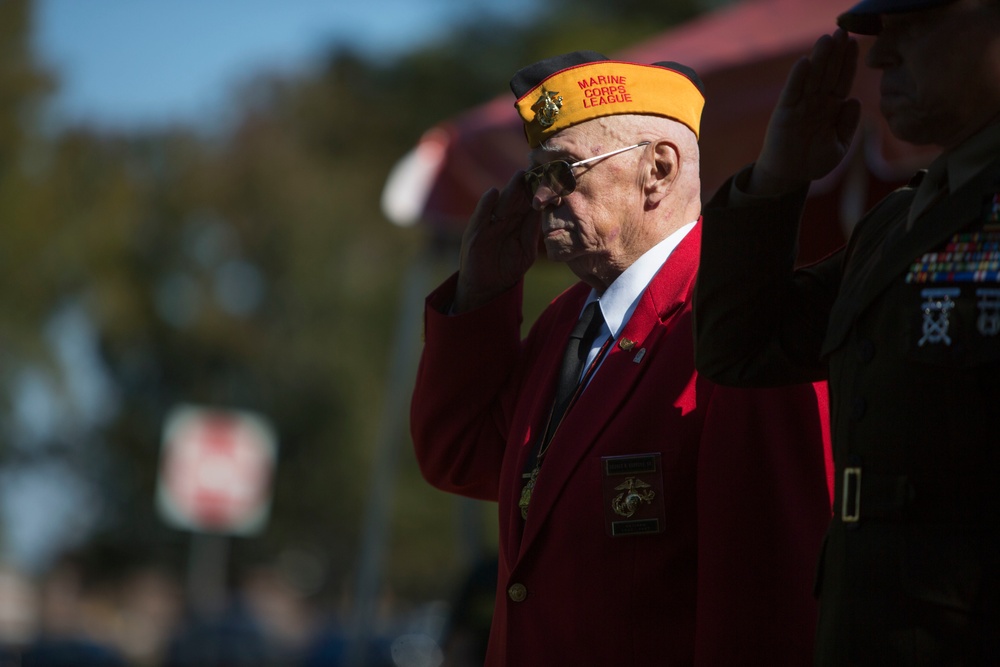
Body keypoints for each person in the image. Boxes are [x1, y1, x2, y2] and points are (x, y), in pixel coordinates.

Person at [410, 51, 834, 666]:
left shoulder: (738, 316)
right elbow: (461, 458)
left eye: (561, 172)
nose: (539, 199)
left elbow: (768, 600)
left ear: (657, 170)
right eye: (534, 179)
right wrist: (480, 299)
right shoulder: (570, 321)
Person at [692, 0, 1000, 664]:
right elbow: (739, 347)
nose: (882, 58)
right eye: (881, 34)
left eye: (915, 28)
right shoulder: (897, 222)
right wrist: (779, 176)